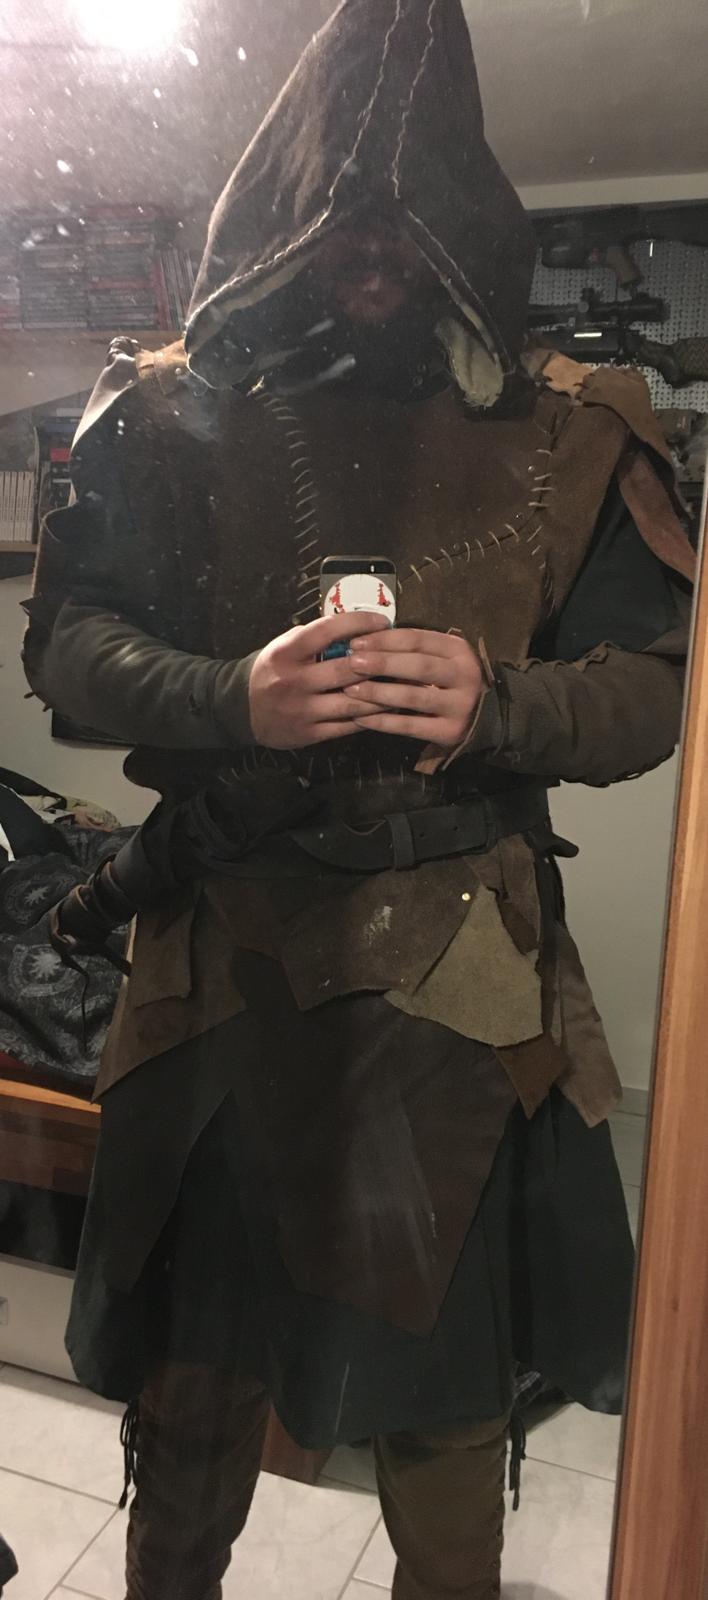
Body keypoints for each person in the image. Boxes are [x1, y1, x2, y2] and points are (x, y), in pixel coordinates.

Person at [23, 1, 695, 1596]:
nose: (375, 256)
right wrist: (230, 698)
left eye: (406, 221)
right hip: (216, 960)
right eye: (345, 221)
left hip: (457, 977)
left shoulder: (576, 425)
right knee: (194, 1387)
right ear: (285, 218)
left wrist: (497, 701)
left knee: (444, 1408)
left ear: (460, 220)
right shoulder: (162, 411)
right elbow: (72, 645)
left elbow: (661, 687)